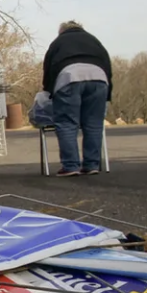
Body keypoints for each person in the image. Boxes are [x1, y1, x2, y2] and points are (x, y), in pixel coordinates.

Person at [41, 21, 113, 176]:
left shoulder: (58, 42)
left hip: (68, 77)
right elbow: (107, 64)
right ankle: (92, 165)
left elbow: (48, 68)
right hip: (99, 78)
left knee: (67, 123)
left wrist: (48, 90)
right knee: (93, 124)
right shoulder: (94, 40)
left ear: (61, 31)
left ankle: (71, 166)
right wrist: (108, 92)